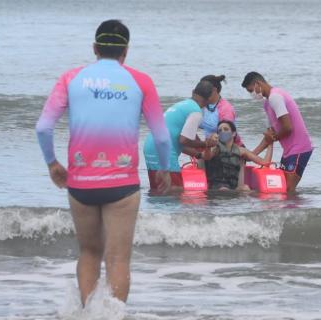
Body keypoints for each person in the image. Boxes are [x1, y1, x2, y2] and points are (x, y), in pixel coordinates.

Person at [35, 20, 171, 305]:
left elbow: (43, 127)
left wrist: (52, 164)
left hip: (81, 183)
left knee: (88, 253)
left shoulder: (71, 77)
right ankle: (114, 315)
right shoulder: (140, 81)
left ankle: (87, 314)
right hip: (122, 184)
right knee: (118, 260)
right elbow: (161, 136)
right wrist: (163, 170)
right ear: (126, 51)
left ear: (95, 48)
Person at [241, 72, 313, 193]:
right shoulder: (267, 103)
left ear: (258, 83)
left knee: (288, 189)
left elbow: (287, 128)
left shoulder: (275, 97)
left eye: (250, 90)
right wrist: (251, 155)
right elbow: (270, 134)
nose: (251, 94)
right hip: (289, 151)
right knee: (284, 189)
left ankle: (297, 211)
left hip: (299, 148)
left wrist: (273, 138)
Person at [143, 80, 219, 190]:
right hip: (164, 150)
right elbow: (183, 140)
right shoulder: (195, 112)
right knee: (174, 192)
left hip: (150, 146)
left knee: (158, 192)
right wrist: (206, 143)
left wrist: (199, 155)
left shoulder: (183, 105)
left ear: (193, 92)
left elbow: (178, 143)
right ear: (209, 99)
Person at [203, 120, 273, 190]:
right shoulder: (215, 148)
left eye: (226, 129)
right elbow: (207, 157)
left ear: (233, 133)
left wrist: (270, 143)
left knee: (245, 188)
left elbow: (265, 162)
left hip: (233, 188)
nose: (222, 132)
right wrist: (208, 147)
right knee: (224, 189)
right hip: (216, 189)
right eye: (220, 131)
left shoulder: (241, 150)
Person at [199, 75, 243, 145]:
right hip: (209, 146)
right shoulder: (202, 106)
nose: (200, 93)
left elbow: (226, 137)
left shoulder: (226, 109)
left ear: (214, 89)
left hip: (228, 148)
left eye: (203, 90)